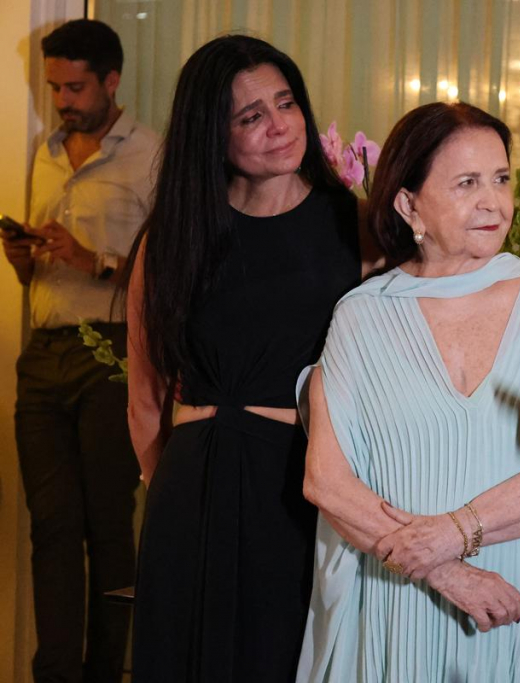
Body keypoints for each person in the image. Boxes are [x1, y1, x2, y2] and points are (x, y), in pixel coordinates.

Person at [297, 101, 520, 683]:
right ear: (409, 204)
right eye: (467, 183)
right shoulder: (360, 316)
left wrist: (455, 533)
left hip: (514, 595)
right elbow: (326, 482)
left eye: (501, 179)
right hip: (395, 598)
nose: (494, 201)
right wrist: (445, 569)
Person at [125, 35, 378, 682]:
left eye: (286, 103)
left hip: (304, 488)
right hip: (192, 489)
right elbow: (145, 395)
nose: (278, 126)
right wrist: (173, 491)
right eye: (250, 116)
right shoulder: (174, 235)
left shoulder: (359, 226)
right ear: (212, 134)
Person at [0, 19, 159, 683]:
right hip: (44, 354)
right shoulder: (43, 151)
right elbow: (40, 276)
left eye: (74, 86)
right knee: (52, 527)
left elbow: (168, 270)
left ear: (111, 81)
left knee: (108, 526)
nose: (61, 100)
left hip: (113, 355)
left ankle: (106, 673)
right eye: (53, 86)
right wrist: (22, 260)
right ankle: (54, 672)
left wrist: (90, 258)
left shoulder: (150, 152)